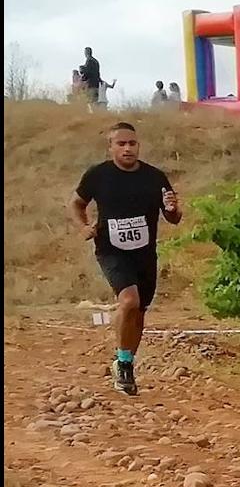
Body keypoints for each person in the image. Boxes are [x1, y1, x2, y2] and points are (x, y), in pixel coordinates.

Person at [68, 123, 182, 395]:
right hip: (111, 249)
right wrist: (83, 227)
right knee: (129, 301)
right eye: (121, 144)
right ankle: (122, 360)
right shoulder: (99, 175)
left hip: (144, 252)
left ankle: (127, 364)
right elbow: (75, 203)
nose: (128, 148)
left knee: (139, 311)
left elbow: (173, 217)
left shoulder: (154, 177)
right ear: (111, 148)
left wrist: (173, 208)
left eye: (132, 143)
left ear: (138, 145)